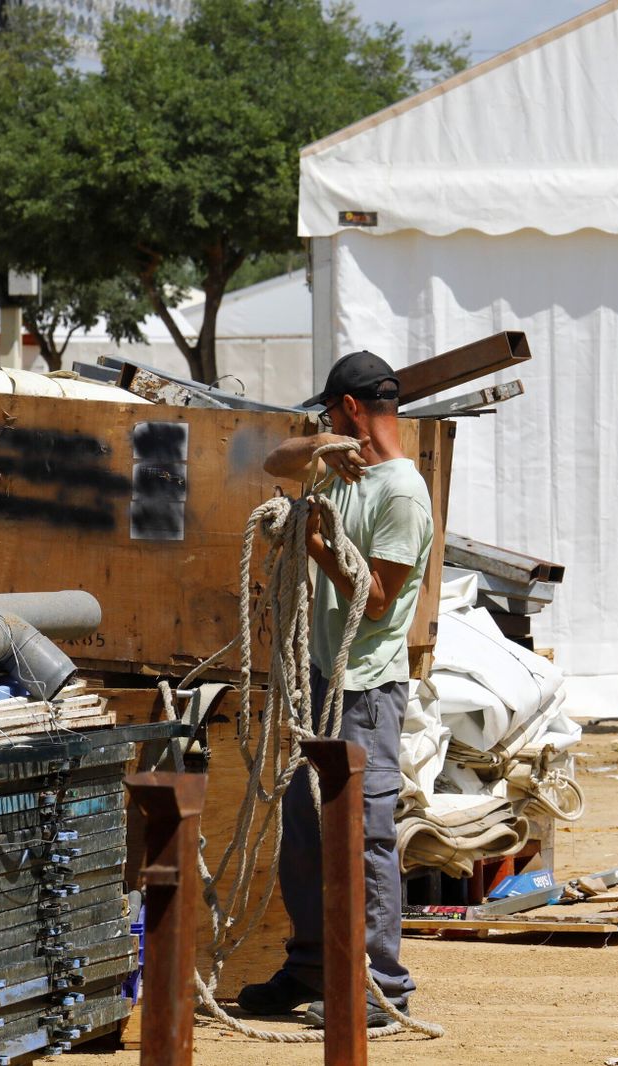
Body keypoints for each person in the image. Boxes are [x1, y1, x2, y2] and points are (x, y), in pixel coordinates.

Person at [235, 350, 434, 1028]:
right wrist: (325, 443)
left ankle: (382, 986)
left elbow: (377, 602)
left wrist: (315, 545)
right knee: (304, 830)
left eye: (329, 410)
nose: (322, 422)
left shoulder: (402, 493)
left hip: (366, 689)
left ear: (351, 406)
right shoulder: (342, 463)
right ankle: (312, 966)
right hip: (319, 680)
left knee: (365, 835)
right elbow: (277, 463)